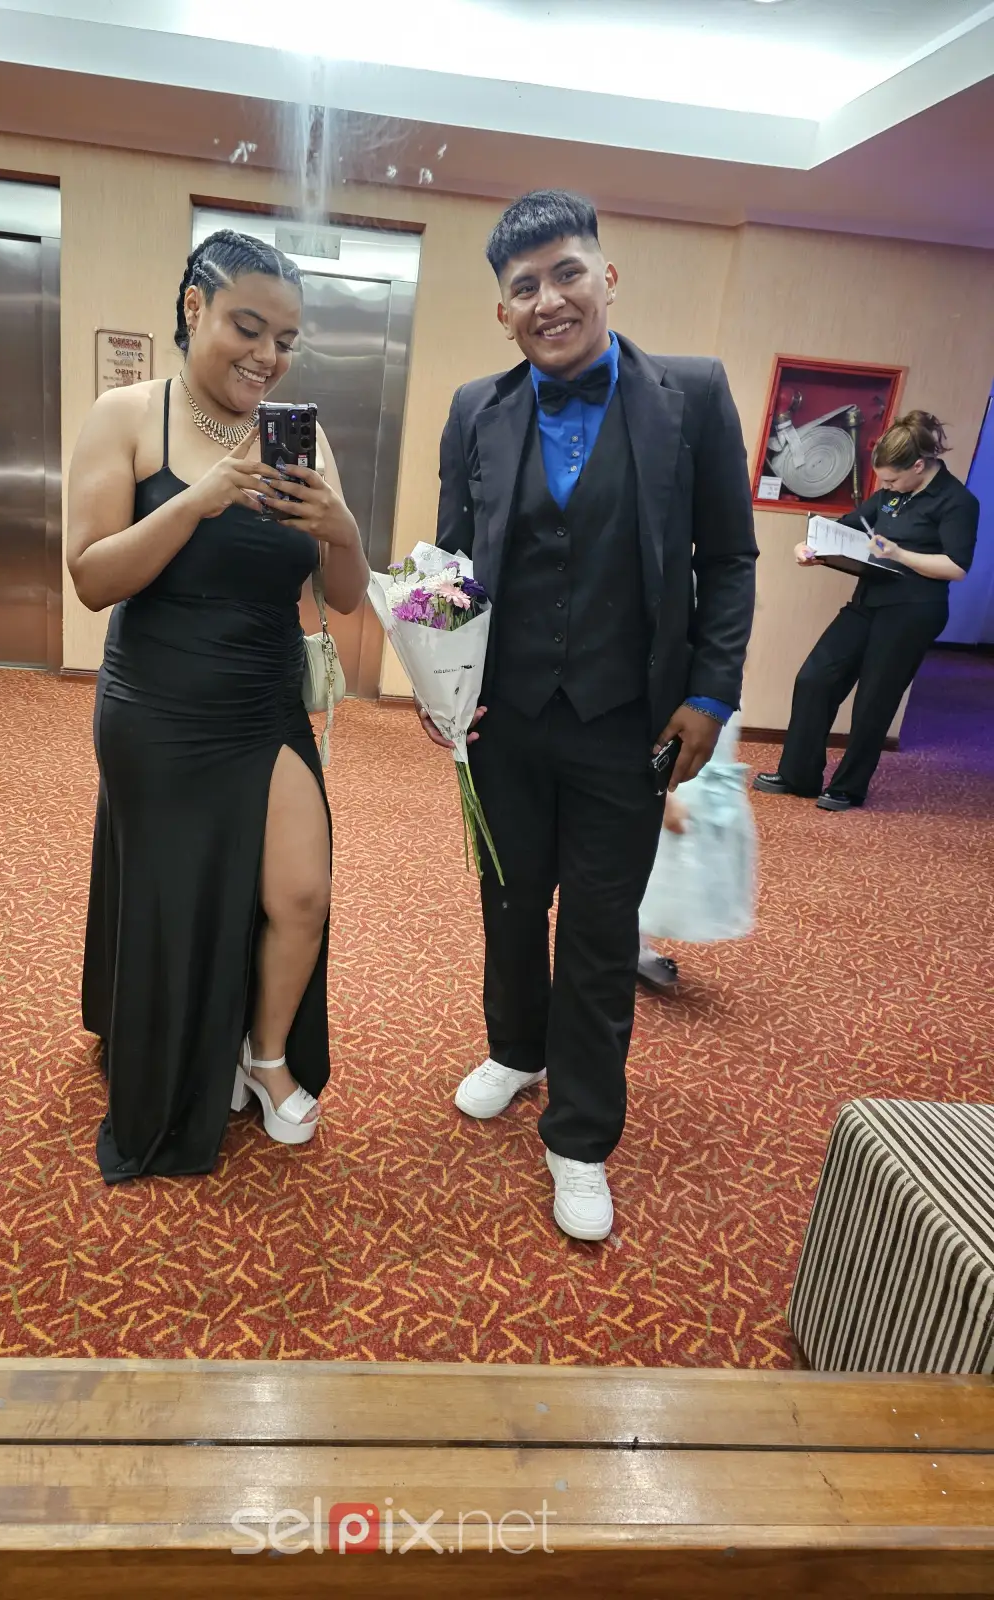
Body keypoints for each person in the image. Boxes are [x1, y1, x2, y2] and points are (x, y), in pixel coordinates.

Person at [424, 190, 757, 1242]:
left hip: (630, 723)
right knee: (510, 902)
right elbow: (449, 564)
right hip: (505, 718)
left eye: (567, 273)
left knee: (602, 931)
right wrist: (439, 681)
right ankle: (517, 1049)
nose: (549, 300)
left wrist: (710, 694)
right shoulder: (474, 408)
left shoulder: (691, 395)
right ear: (503, 311)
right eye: (524, 286)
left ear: (606, 276)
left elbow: (729, 558)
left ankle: (580, 1134)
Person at [66, 230, 368, 1183]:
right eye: (248, 326)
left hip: (264, 702)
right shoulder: (127, 416)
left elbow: (346, 597)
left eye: (286, 340)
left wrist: (344, 530)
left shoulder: (302, 437)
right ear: (195, 307)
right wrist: (195, 501)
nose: (267, 356)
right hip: (156, 707)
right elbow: (91, 577)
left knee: (301, 893)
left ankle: (265, 1055)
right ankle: (170, 1062)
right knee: (175, 898)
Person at [754, 412, 980, 812]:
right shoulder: (892, 495)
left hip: (913, 612)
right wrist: (813, 548)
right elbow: (849, 527)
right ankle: (798, 775)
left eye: (891, 480)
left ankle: (848, 787)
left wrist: (900, 554)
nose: (886, 487)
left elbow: (956, 567)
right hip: (868, 602)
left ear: (918, 465)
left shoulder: (957, 501)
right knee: (815, 679)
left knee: (874, 700)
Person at [636, 712, 758, 993]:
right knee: (655, 871)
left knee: (690, 873)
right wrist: (666, 797)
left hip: (709, 784)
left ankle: (635, 944)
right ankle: (631, 947)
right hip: (675, 779)